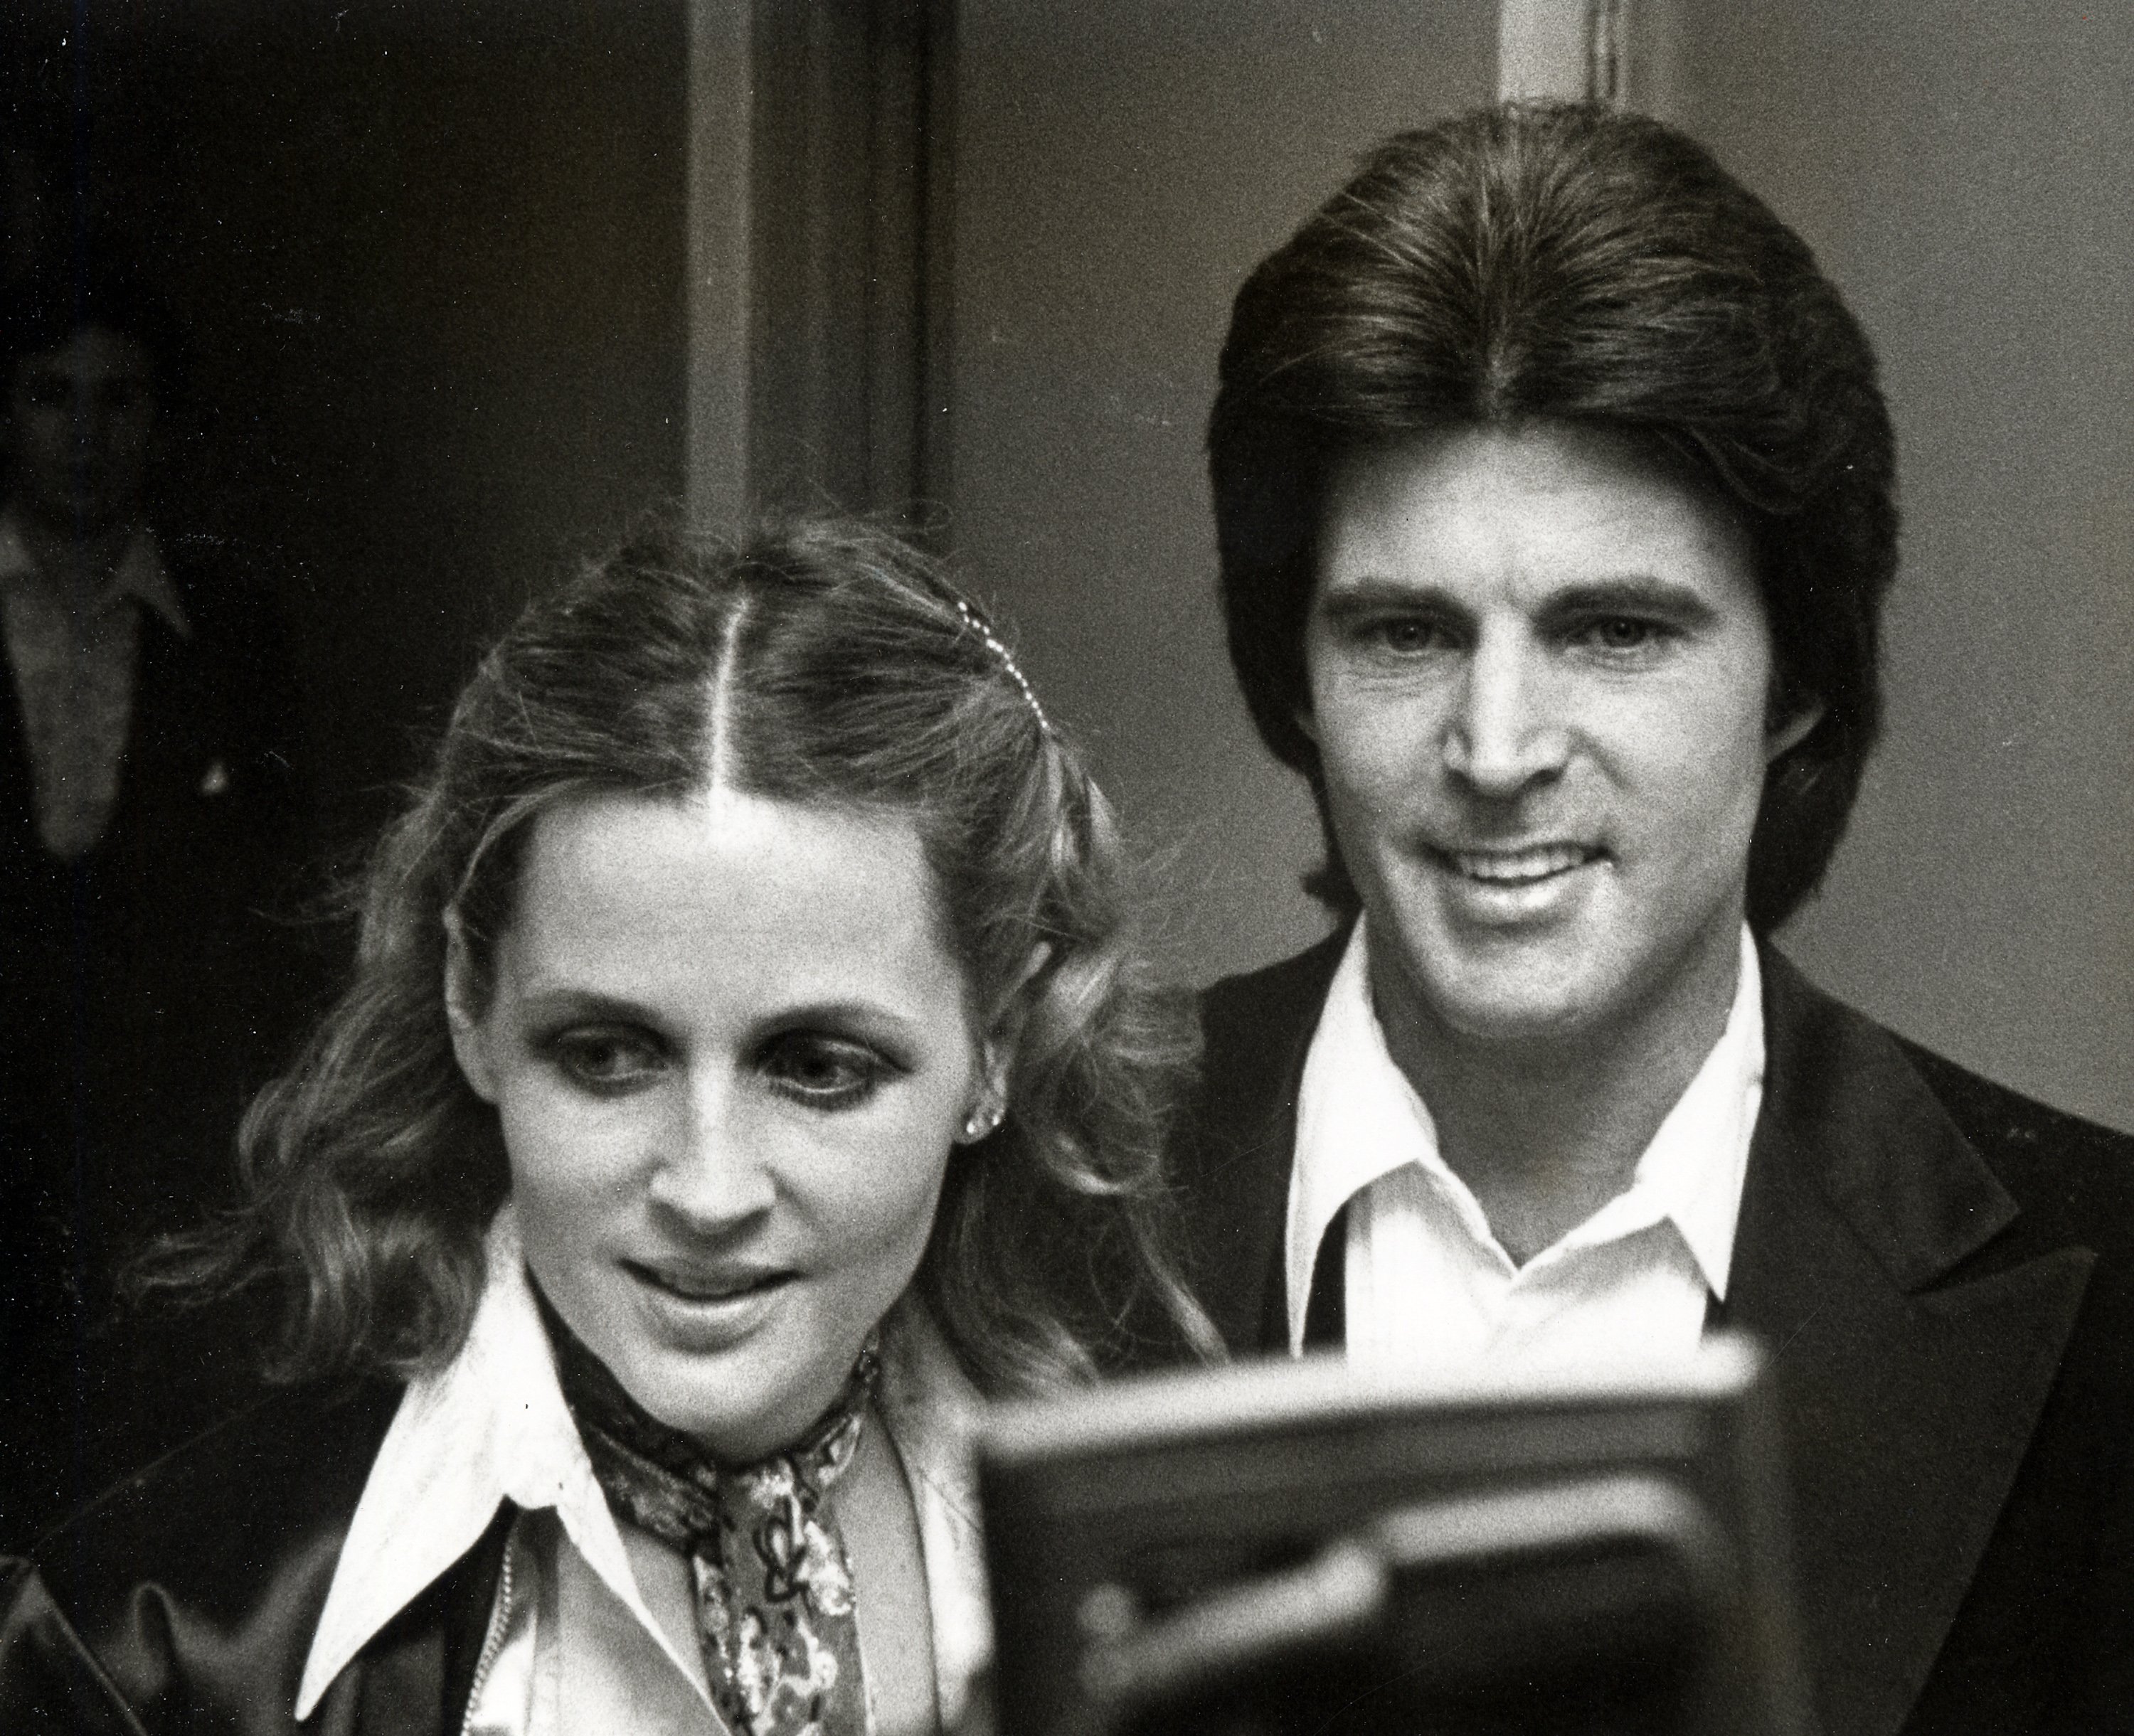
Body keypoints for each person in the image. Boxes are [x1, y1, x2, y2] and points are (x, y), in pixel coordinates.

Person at [1171, 102, 2134, 1734]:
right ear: (1297, 678)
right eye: (1405, 633)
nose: (1497, 750)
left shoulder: (2108, 1303)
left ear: (1799, 683)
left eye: (1613, 632)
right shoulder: (1032, 1191)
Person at [0, 517, 1215, 1733]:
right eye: (608, 1055)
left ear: (996, 1044)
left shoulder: (1183, 1564)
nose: (708, 1188)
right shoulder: (150, 1650)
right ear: (470, 1007)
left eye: (819, 1067)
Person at [0, 250, 316, 1537]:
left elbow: (283, 896)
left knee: (135, 1456)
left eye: (118, 399)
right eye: (51, 394)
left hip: (156, 1132)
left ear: (161, 421)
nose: (85, 433)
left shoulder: (231, 625)